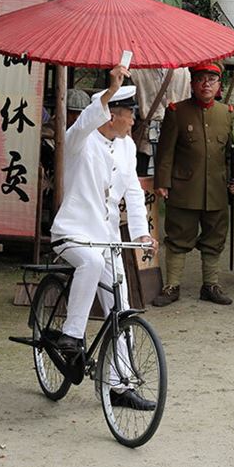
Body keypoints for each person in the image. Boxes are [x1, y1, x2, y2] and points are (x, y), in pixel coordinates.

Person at [50, 67, 157, 411]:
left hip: (107, 237)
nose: (133, 121)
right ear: (113, 114)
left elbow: (134, 194)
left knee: (121, 307)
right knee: (91, 263)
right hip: (73, 232)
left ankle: (119, 384)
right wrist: (111, 89)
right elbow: (84, 123)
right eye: (130, 114)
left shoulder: (126, 147)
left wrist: (142, 233)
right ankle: (71, 333)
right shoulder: (80, 141)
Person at [151, 61, 234, 307]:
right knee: (178, 237)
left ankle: (210, 285)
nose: (206, 84)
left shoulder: (226, 113)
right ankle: (172, 286)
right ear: (192, 84)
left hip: (217, 189)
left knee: (214, 237)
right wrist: (162, 183)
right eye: (201, 79)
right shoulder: (177, 112)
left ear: (219, 85)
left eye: (212, 79)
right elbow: (165, 152)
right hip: (184, 188)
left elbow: (233, 153)